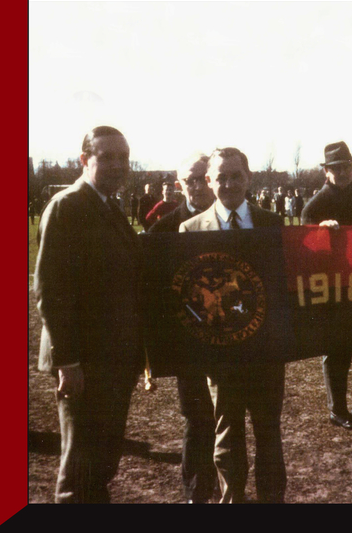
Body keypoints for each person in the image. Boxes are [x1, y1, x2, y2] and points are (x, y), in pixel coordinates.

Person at [34, 126, 142, 503]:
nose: (117, 165)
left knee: (100, 466)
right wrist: (68, 361)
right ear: (84, 160)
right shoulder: (69, 206)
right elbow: (50, 290)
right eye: (107, 157)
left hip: (112, 359)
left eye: (123, 157)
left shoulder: (108, 205)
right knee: (79, 472)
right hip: (83, 364)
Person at [179, 147, 286, 503]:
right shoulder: (190, 229)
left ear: (249, 178)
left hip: (266, 353)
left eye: (235, 176)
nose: (228, 184)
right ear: (208, 181)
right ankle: (232, 502)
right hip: (220, 357)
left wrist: (326, 233)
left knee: (269, 434)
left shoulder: (272, 223)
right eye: (220, 177)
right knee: (227, 438)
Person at [148, 154, 218, 503]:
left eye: (204, 178)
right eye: (190, 179)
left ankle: (224, 484)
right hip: (188, 344)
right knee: (196, 418)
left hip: (228, 339)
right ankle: (195, 491)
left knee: (226, 418)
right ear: (180, 183)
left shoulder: (236, 224)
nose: (197, 185)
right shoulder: (162, 231)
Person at [301, 141, 352, 429]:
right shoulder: (316, 203)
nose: (343, 172)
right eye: (337, 168)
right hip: (333, 289)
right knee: (336, 350)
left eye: (347, 166)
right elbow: (306, 239)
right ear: (326, 172)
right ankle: (337, 410)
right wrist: (321, 230)